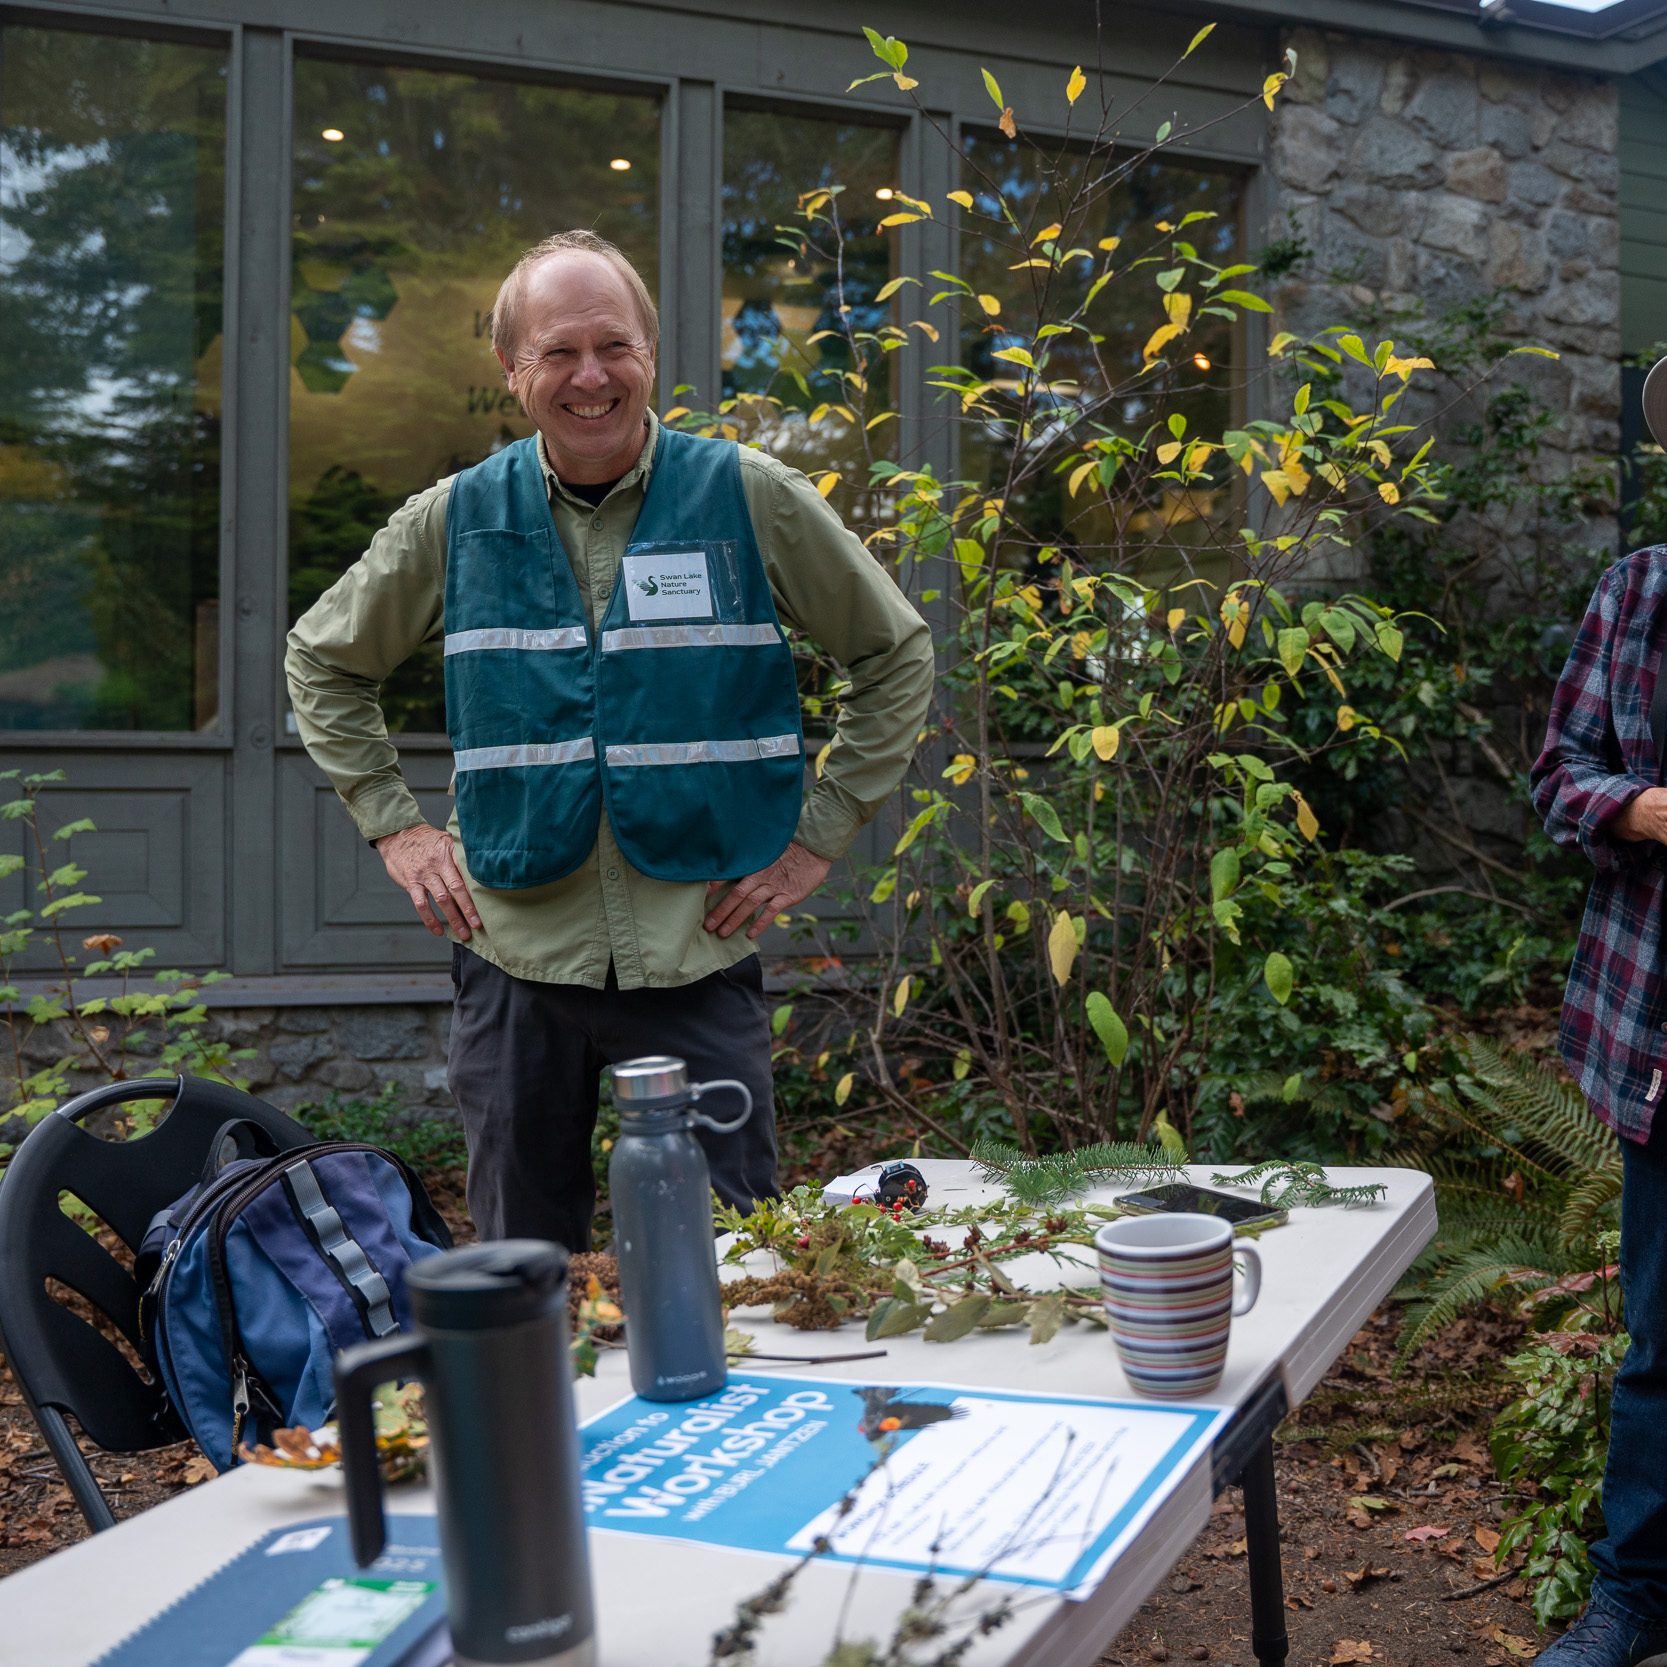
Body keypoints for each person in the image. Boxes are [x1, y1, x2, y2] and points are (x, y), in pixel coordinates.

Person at [286, 229, 933, 1252]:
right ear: (511, 369)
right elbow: (321, 662)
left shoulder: (747, 496)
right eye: (557, 352)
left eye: (612, 346)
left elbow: (893, 654)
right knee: (522, 1272)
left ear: (650, 350)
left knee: (737, 1268)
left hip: (695, 950)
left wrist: (817, 836)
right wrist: (397, 829)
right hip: (514, 956)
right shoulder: (455, 517)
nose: (590, 377)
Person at [1527, 355, 1667, 1667]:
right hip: (1656, 1040)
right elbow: (1553, 767)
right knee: (1655, 1342)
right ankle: (1631, 1596)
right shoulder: (1630, 593)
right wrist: (1630, 805)